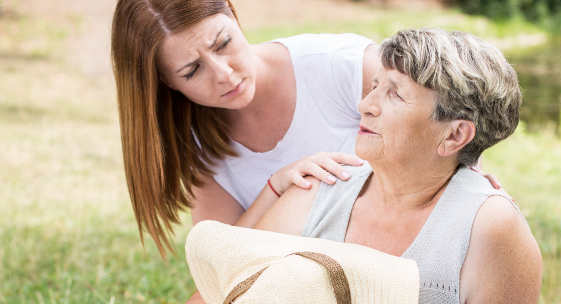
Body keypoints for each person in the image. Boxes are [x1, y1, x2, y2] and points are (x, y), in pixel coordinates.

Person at [111, 1, 506, 302]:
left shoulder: (339, 67)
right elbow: (223, 268)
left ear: (233, 14)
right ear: (164, 84)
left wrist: (470, 186)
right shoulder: (194, 144)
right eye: (192, 71)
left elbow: (445, 116)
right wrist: (275, 187)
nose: (224, 74)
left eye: (224, 43)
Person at [255, 28, 542, 303]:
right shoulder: (315, 191)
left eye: (395, 94)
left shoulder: (490, 228)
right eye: (375, 86)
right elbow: (230, 286)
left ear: (454, 135)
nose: (365, 105)